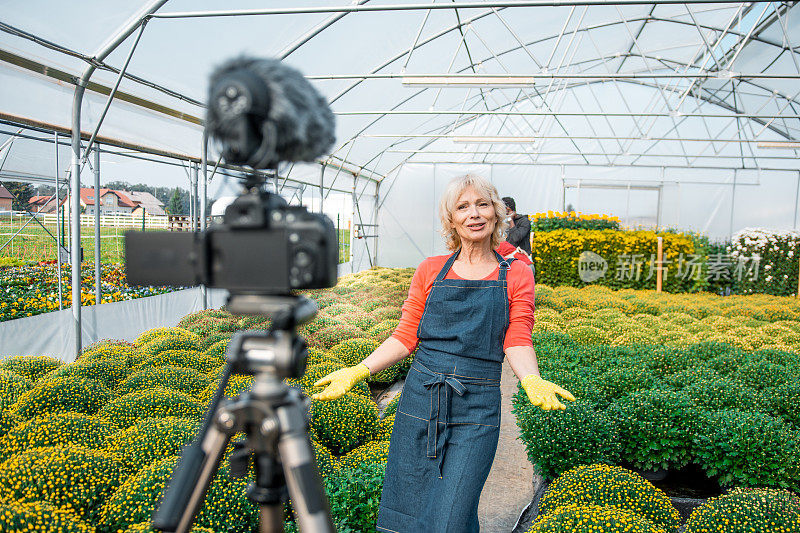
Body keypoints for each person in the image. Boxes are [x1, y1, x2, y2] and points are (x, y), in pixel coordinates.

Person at [312, 174, 574, 533]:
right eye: (463, 207)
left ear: (497, 214)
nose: (474, 214)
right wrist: (359, 370)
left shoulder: (516, 273)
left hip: (477, 404)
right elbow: (405, 337)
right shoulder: (431, 269)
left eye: (483, 204)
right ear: (451, 220)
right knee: (409, 507)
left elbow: (517, 337)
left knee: (452, 511)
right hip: (421, 399)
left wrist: (531, 378)